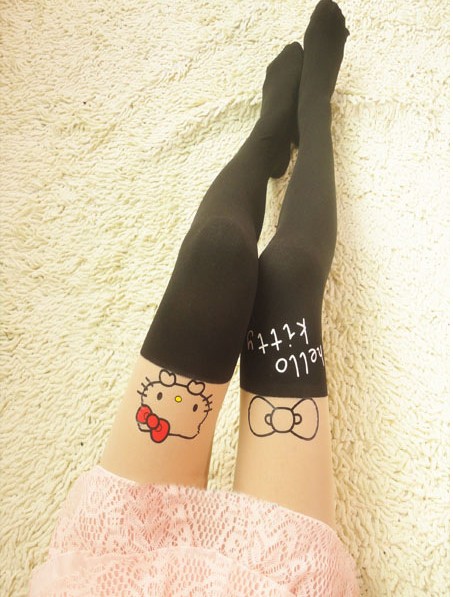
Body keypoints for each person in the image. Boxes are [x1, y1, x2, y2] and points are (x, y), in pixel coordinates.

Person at [29, 0, 360, 594]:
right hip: (277, 584)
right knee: (286, 281)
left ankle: (268, 138)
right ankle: (313, 113)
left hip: (115, 569)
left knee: (217, 252)